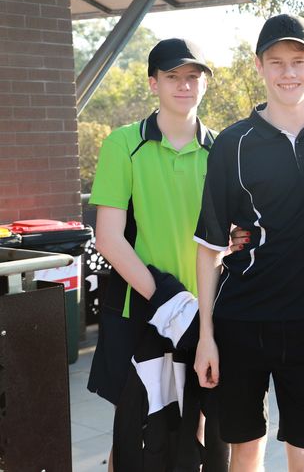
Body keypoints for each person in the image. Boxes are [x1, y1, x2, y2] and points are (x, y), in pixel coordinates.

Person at [192, 13, 304, 472]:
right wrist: (206, 338)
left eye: (298, 61)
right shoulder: (232, 144)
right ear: (259, 66)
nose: (288, 72)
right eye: (277, 62)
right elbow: (209, 248)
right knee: (247, 448)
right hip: (241, 320)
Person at [87, 38, 227, 470]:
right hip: (142, 308)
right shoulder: (122, 144)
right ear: (153, 83)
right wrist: (168, 301)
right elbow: (109, 238)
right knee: (132, 431)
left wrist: (194, 312)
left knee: (193, 427)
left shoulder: (223, 150)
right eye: (172, 76)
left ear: (204, 83)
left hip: (203, 316)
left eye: (193, 76)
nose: (184, 85)